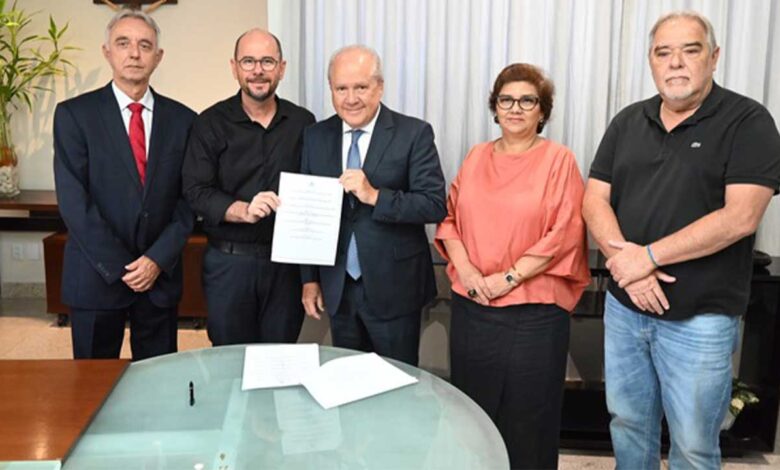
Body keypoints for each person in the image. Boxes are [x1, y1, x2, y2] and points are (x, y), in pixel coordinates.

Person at [582, 11, 780, 469]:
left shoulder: (748, 121)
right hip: (626, 308)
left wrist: (648, 256)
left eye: (690, 50)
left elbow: (741, 217)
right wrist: (628, 266)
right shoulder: (628, 121)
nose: (675, 63)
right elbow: (594, 199)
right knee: (628, 424)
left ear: (714, 57)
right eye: (663, 53)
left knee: (693, 443)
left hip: (700, 319)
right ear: (651, 61)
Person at [435, 63, 590, 469]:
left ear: (543, 110)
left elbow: (565, 231)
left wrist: (507, 278)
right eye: (506, 100)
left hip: (534, 314)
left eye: (527, 100)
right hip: (474, 306)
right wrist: (469, 273)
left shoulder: (559, 160)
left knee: (528, 424)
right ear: (495, 107)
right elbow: (449, 220)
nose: (515, 108)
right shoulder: (476, 156)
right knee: (474, 417)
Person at [53, 9, 196, 360]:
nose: (134, 53)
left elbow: (189, 200)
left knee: (157, 381)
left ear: (158, 56)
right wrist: (124, 267)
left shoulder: (184, 120)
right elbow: (74, 203)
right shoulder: (74, 115)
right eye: (123, 43)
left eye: (145, 45)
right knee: (93, 384)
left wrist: (155, 260)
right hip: (96, 276)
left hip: (158, 278)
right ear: (107, 52)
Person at [300, 45, 446, 366]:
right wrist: (309, 280)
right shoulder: (315, 136)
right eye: (341, 88)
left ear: (379, 87)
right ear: (331, 90)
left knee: (396, 382)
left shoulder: (413, 133)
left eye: (361, 87)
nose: (351, 98)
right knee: (347, 379)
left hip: (395, 288)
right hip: (338, 288)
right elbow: (308, 213)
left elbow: (434, 204)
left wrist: (375, 196)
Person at [182, 29, 314, 346]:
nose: (258, 70)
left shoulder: (303, 123)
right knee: (230, 358)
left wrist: (311, 276)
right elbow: (196, 190)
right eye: (248, 61)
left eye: (267, 61)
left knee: (281, 356)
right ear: (234, 67)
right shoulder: (209, 122)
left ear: (281, 68)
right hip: (229, 264)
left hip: (286, 268)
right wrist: (243, 210)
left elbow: (315, 189)